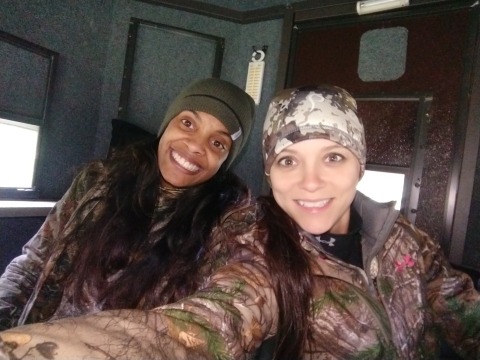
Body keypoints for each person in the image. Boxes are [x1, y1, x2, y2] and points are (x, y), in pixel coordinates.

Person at [0, 78, 279, 359]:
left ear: (225, 162)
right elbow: (34, 261)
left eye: (218, 142)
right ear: (167, 124)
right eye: (187, 123)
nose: (196, 146)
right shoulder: (97, 180)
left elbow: (236, 304)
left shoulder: (232, 223)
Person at [254, 85, 480, 359]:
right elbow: (216, 319)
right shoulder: (256, 256)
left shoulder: (402, 237)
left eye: (333, 157)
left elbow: (462, 310)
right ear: (270, 174)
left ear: (359, 167)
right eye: (288, 161)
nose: (310, 182)